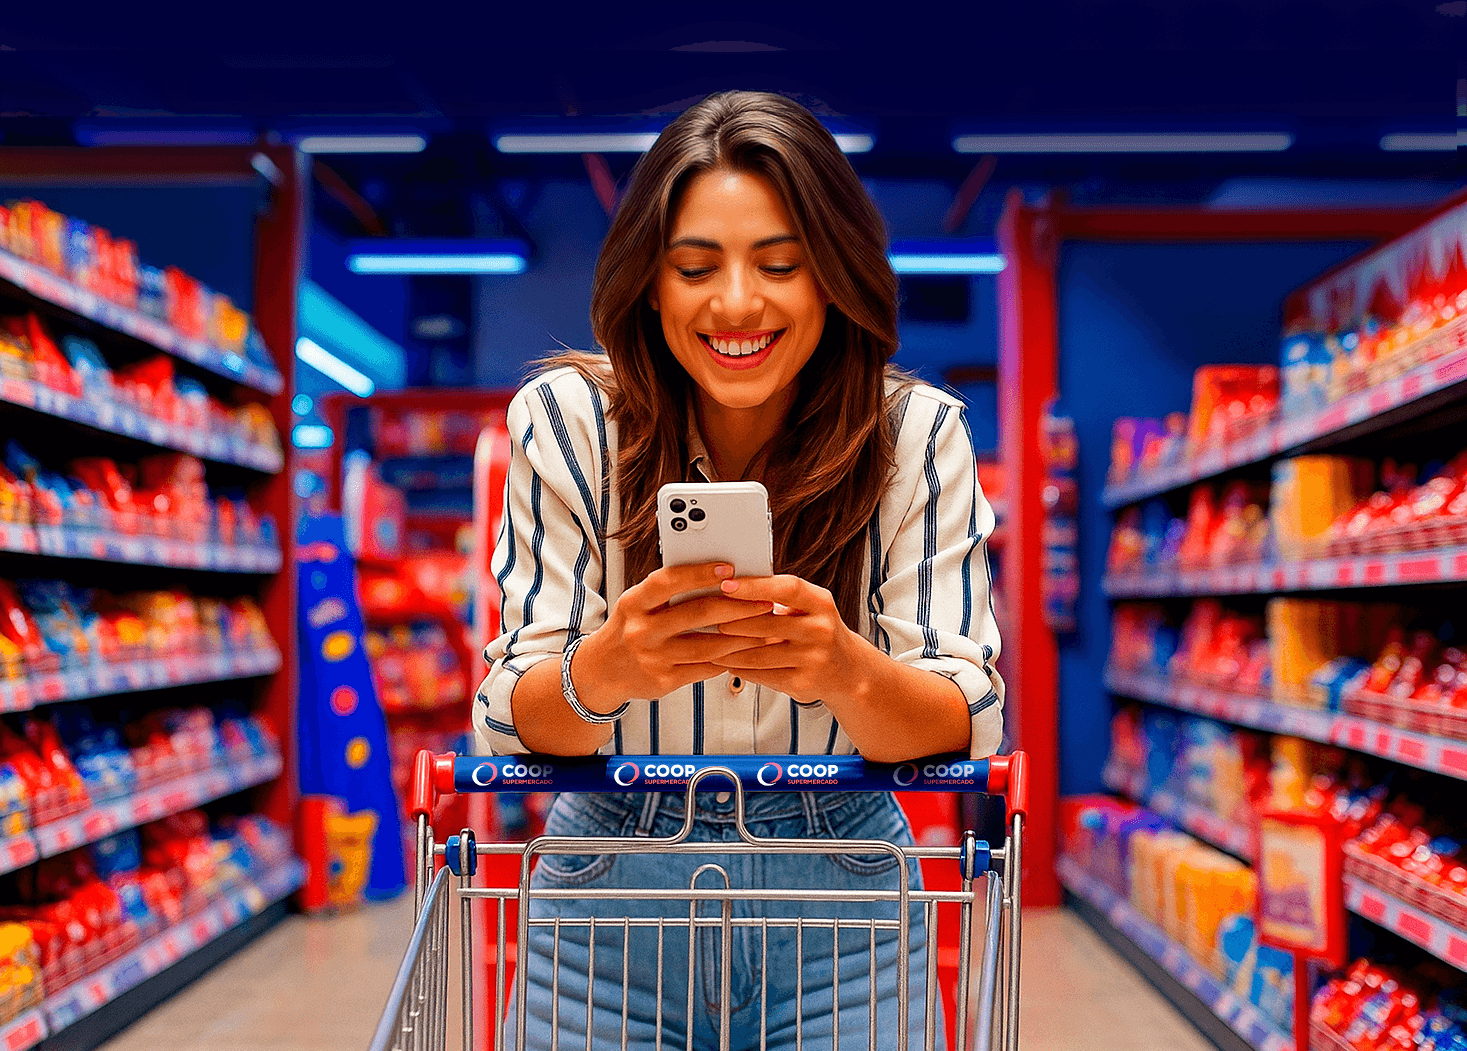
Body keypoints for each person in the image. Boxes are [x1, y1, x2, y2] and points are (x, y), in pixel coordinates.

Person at [475, 89, 1003, 1051]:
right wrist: (612, 667)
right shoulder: (565, 422)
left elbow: (964, 715)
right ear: (649, 280)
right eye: (693, 266)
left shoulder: (917, 438)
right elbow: (514, 708)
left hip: (843, 909)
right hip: (604, 896)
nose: (735, 305)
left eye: (779, 265)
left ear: (833, 277)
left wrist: (841, 668)